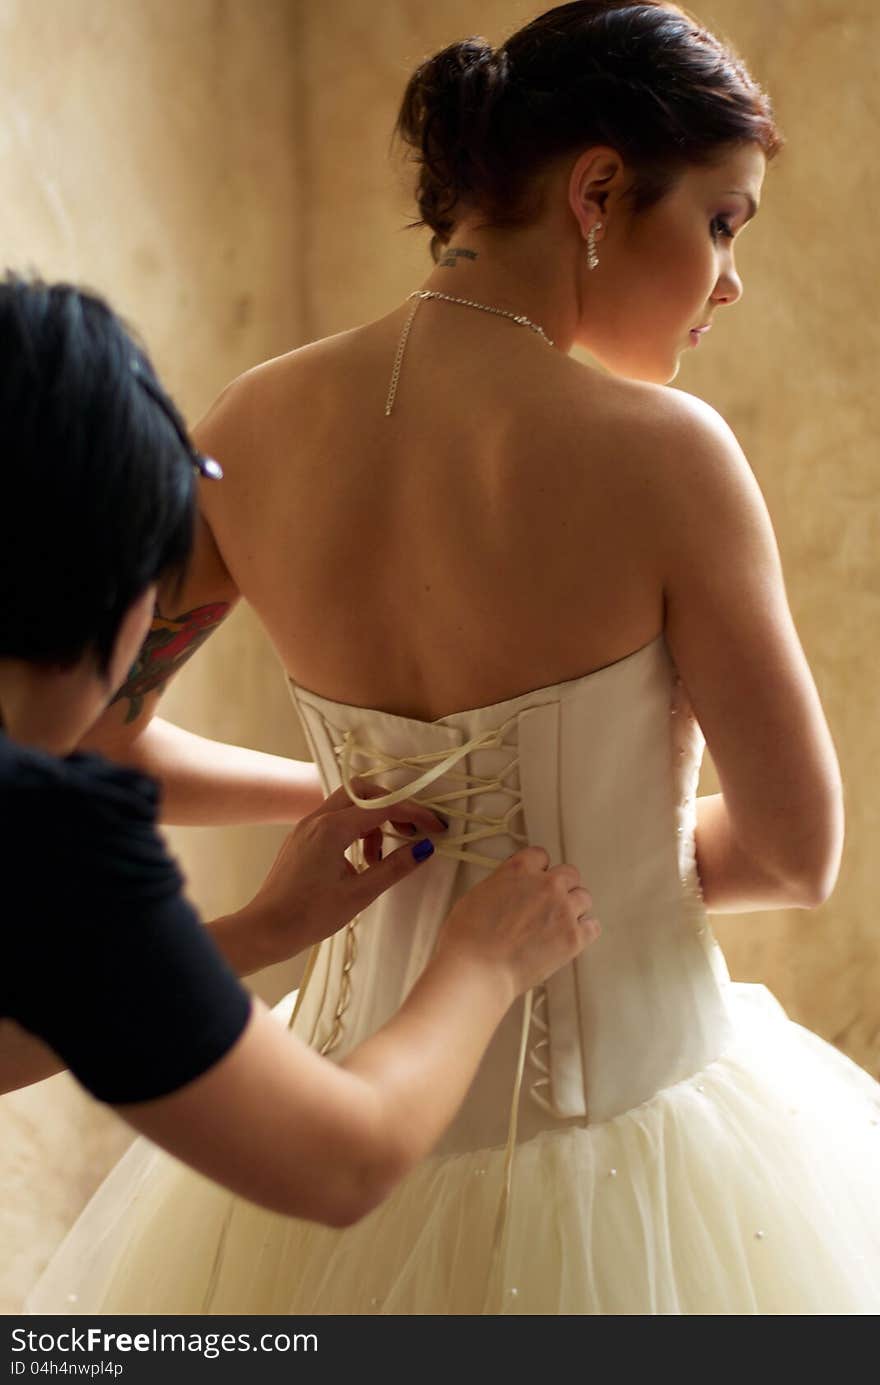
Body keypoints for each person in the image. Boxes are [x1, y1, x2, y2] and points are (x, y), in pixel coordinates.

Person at [29, 0, 880, 1316]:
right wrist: (591, 882)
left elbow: (98, 724)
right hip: (635, 1151)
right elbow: (792, 850)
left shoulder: (253, 424)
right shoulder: (670, 456)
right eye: (720, 221)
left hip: (323, 1119)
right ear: (597, 189)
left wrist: (325, 801)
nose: (730, 280)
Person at [0, 273, 599, 1244]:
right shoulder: (57, 834)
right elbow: (342, 1161)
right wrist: (484, 962)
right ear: (123, 594)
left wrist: (263, 927)